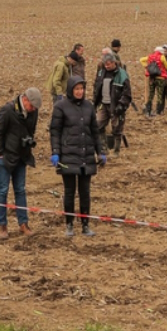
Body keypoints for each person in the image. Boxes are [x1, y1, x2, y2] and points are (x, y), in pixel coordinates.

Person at [49, 75, 104, 237]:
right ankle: (69, 224)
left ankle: (85, 225)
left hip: (86, 156)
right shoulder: (61, 107)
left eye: (82, 88)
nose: (80, 92)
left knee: (85, 192)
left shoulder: (89, 106)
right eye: (77, 89)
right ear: (71, 90)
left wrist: (100, 152)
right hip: (68, 156)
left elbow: (95, 132)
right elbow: (55, 131)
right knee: (69, 191)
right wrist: (56, 152)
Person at [0, 88, 41, 238]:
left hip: (21, 157)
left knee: (20, 190)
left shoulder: (33, 112)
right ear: (25, 99)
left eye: (35, 108)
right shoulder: (8, 110)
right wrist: (0, 153)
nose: (33, 110)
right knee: (3, 190)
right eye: (32, 106)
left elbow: (31, 131)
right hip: (6, 157)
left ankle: (23, 224)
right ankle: (2, 226)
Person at [93, 54, 132, 155]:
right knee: (98, 125)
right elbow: (96, 87)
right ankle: (104, 147)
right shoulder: (101, 72)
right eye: (105, 64)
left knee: (116, 128)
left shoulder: (122, 75)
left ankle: (116, 150)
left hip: (115, 105)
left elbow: (127, 93)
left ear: (114, 62)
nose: (107, 66)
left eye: (108, 64)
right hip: (103, 104)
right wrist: (95, 102)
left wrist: (121, 105)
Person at [139, 46, 167, 117]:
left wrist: (146, 66)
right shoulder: (162, 57)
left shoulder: (150, 56)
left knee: (151, 94)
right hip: (160, 78)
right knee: (159, 95)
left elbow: (141, 60)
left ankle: (148, 110)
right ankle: (158, 111)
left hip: (152, 78)